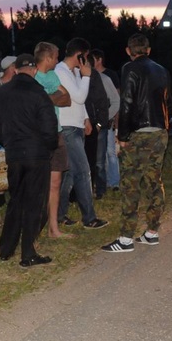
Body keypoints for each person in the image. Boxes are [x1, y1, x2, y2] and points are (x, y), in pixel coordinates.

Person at [101, 33, 171, 253]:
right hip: (160, 132)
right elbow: (169, 103)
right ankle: (152, 232)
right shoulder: (162, 70)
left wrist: (122, 137)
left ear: (128, 51)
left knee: (130, 184)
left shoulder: (129, 68)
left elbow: (127, 103)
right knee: (154, 181)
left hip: (139, 134)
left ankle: (125, 239)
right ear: (148, 50)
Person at [0, 54, 57, 267]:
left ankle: (5, 250)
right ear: (35, 70)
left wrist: (8, 141)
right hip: (37, 155)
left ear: (16, 69)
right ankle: (28, 253)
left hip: (15, 154)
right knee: (34, 202)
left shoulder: (1, 92)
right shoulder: (39, 93)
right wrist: (48, 147)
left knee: (16, 199)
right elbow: (49, 127)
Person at [54, 38, 107, 230]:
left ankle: (59, 214)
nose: (87, 61)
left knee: (69, 175)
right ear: (79, 56)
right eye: (85, 57)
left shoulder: (74, 71)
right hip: (67, 128)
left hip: (76, 126)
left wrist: (85, 119)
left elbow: (80, 101)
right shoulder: (60, 72)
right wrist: (86, 77)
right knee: (83, 171)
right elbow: (78, 95)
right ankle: (89, 218)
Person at [31, 42, 72, 239]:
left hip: (57, 133)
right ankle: (34, 228)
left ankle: (53, 229)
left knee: (55, 183)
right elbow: (33, 104)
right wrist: (52, 98)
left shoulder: (52, 76)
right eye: (55, 57)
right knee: (38, 184)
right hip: (38, 136)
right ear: (47, 58)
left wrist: (47, 99)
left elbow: (68, 98)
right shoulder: (31, 76)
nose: (57, 60)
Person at [89, 49, 121, 198]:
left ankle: (109, 185)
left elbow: (115, 101)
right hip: (87, 126)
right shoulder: (78, 80)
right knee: (91, 158)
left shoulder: (105, 79)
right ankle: (91, 187)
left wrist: (104, 120)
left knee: (105, 156)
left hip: (103, 125)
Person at [83, 50, 112, 200]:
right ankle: (86, 191)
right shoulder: (74, 76)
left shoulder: (97, 77)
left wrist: (101, 123)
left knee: (98, 161)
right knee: (85, 162)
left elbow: (104, 101)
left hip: (96, 125)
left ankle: (100, 191)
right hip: (81, 126)